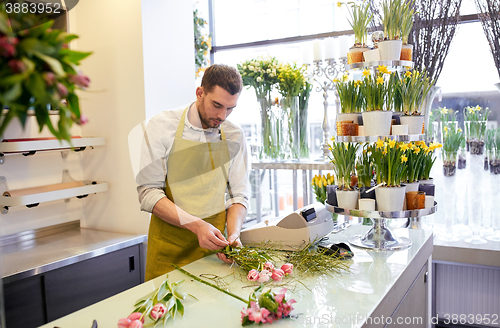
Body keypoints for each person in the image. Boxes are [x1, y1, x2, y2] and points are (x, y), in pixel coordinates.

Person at [137, 64, 249, 281]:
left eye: (230, 108)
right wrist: (197, 226)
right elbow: (148, 192)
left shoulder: (234, 135)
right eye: (217, 105)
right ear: (200, 93)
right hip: (168, 252)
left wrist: (233, 234)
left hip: (214, 251)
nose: (222, 115)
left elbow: (238, 196)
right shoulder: (162, 127)